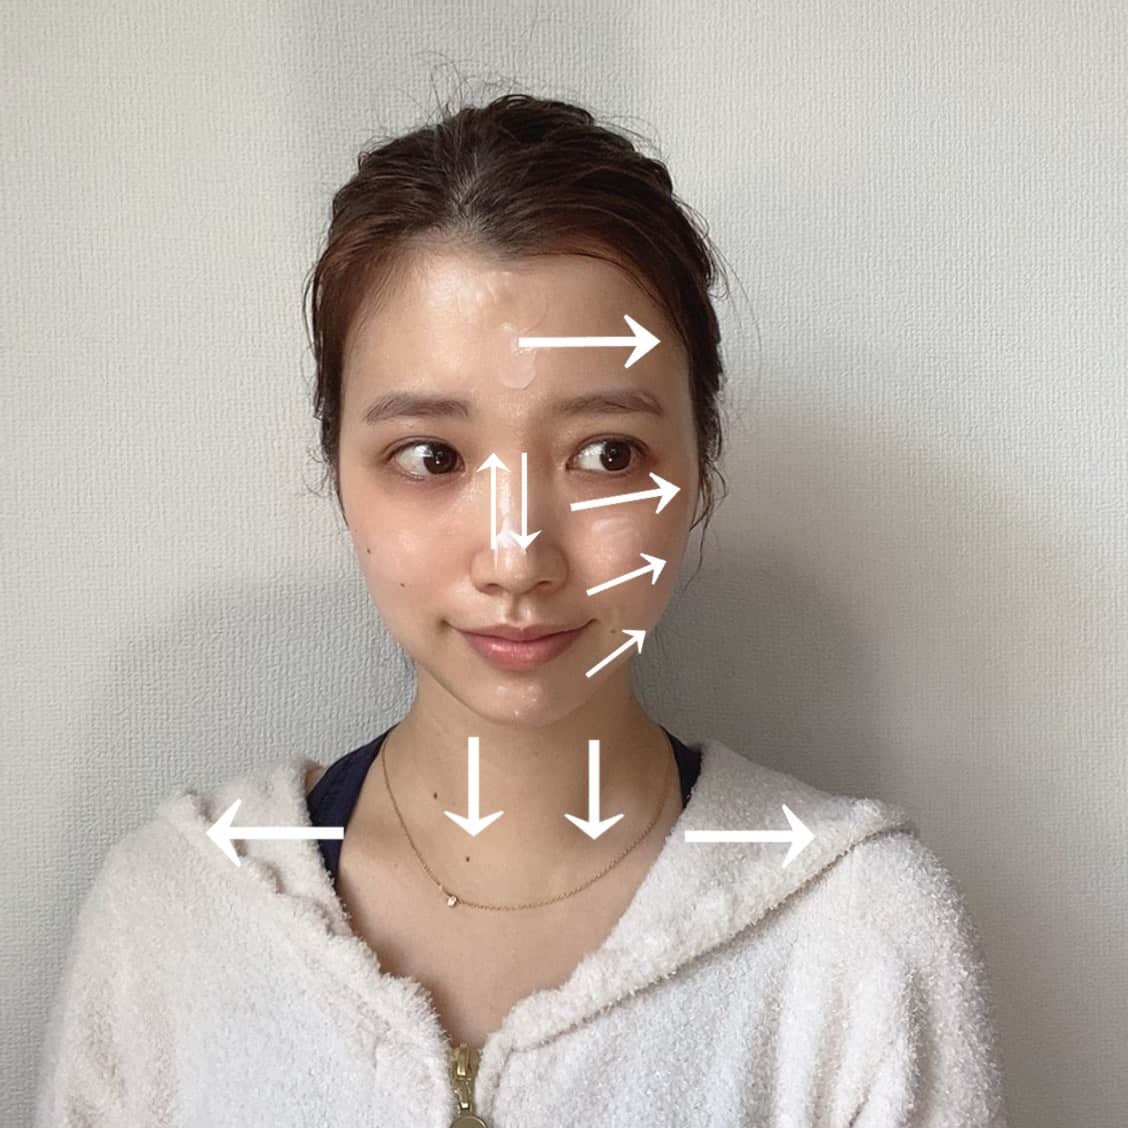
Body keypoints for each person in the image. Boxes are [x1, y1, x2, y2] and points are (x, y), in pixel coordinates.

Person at [36, 92, 1009, 1126]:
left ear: (699, 469)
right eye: (432, 457)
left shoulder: (858, 942)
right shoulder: (173, 920)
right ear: (339, 471)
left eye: (607, 454)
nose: (517, 557)